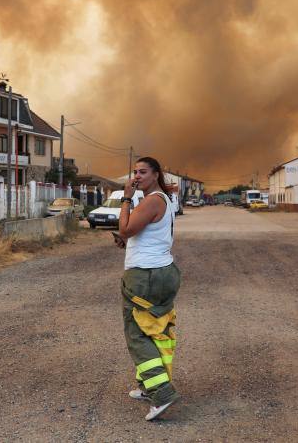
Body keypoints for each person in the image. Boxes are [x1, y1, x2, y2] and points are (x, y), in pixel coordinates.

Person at [116, 156, 180, 421]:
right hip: (163, 271)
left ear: (156, 174)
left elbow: (125, 229)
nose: (137, 176)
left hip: (145, 276)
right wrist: (128, 240)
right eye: (135, 172)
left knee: (137, 334)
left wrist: (126, 199)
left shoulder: (152, 200)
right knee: (154, 331)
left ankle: (162, 393)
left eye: (143, 172)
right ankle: (147, 386)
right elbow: (144, 234)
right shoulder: (164, 199)